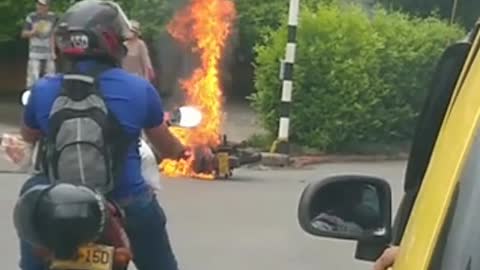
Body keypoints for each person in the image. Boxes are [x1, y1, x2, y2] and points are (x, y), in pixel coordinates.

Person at [17, 1, 212, 269]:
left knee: (32, 203)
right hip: (127, 203)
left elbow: (28, 136)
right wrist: (186, 153)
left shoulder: (42, 90)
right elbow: (167, 148)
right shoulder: (139, 89)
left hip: (58, 205)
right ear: (110, 42)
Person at [21, 0, 58, 89]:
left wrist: (53, 51)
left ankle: (49, 95)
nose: (40, 7)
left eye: (42, 5)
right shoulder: (31, 17)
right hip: (35, 52)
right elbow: (23, 34)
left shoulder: (53, 17)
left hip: (48, 51)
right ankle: (31, 95)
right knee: (33, 76)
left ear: (47, 6)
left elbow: (53, 34)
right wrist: (33, 32)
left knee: (51, 76)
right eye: (38, 4)